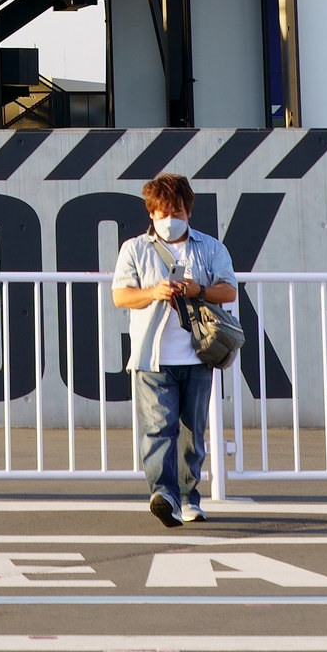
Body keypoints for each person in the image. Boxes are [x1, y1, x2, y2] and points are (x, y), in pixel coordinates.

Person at [112, 170, 239, 527]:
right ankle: (163, 495)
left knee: (191, 433)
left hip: (198, 354)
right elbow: (121, 296)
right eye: (163, 212)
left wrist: (198, 290)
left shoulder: (210, 248)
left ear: (188, 212)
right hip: (151, 357)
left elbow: (229, 290)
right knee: (158, 428)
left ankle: (187, 497)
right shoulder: (135, 249)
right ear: (151, 213)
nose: (170, 219)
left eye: (177, 212)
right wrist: (154, 292)